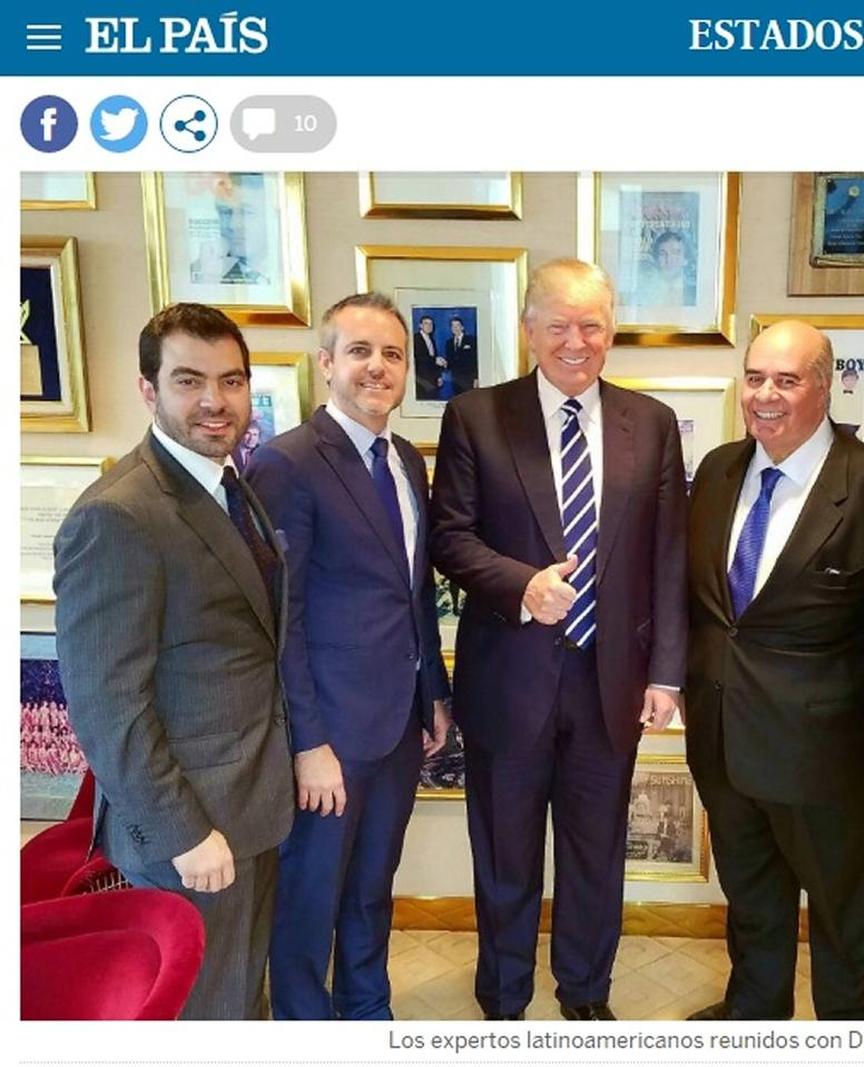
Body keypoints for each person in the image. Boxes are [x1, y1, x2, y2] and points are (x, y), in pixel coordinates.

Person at [430, 257, 687, 1021]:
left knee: (595, 853)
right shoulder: (476, 416)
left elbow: (669, 555)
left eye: (591, 326)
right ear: (528, 329)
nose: (576, 342)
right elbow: (449, 536)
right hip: (508, 679)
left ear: (611, 331)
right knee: (504, 854)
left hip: (612, 683)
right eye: (559, 325)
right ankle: (504, 995)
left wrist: (666, 672)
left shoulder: (652, 423)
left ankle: (586, 992)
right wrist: (523, 585)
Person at [53, 303, 294, 1019]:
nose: (215, 400)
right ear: (148, 388)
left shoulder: (227, 483)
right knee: (202, 1015)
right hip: (190, 827)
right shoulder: (118, 514)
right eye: (189, 380)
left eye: (231, 380)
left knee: (239, 998)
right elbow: (107, 705)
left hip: (248, 806)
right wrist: (182, 833)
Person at [685, 320, 864, 1021]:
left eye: (787, 379)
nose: (766, 395)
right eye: (755, 378)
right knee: (751, 894)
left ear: (825, 385)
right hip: (723, 740)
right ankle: (755, 1012)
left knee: (847, 912)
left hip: (825, 756)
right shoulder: (717, 470)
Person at [245, 293, 451, 1020]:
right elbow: (283, 621)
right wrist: (309, 744)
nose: (377, 367)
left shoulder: (406, 461)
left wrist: (434, 693)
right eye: (359, 351)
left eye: (392, 354)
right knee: (310, 896)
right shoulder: (287, 463)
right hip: (328, 735)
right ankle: (306, 1025)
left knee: (371, 886)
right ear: (326, 363)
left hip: (397, 725)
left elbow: (412, 589)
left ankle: (368, 1011)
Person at [445, 315, 478, 393]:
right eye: (453, 326)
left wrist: (476, 378)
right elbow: (449, 361)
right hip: (455, 380)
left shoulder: (471, 340)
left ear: (462, 327)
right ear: (451, 329)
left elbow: (476, 360)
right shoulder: (448, 343)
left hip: (469, 379)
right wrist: (444, 363)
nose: (455, 328)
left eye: (457, 325)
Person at [413, 313, 442, 400]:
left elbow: (434, 359)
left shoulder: (431, 339)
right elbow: (418, 358)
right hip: (421, 380)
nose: (429, 326)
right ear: (420, 326)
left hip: (432, 380)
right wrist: (435, 360)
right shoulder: (415, 339)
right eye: (426, 323)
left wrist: (438, 376)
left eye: (431, 324)